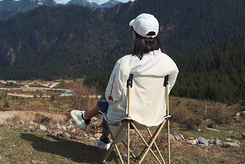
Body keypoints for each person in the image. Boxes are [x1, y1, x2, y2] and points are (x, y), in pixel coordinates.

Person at [71, 13, 179, 150]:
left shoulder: (126, 63)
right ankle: (99, 134)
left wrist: (113, 99)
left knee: (108, 102)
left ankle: (91, 124)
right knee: (110, 102)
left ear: (135, 34)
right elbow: (166, 90)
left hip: (129, 116)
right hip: (157, 115)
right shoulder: (169, 63)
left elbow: (112, 96)